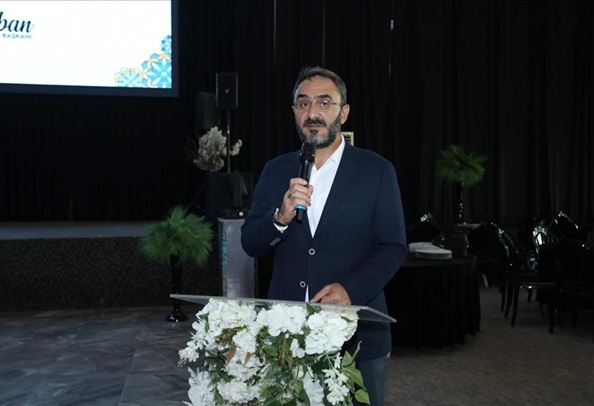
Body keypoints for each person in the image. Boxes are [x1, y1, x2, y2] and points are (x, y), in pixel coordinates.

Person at [241, 66, 407, 405]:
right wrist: (280, 218)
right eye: (303, 104)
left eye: (324, 102)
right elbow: (250, 242)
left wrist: (350, 291)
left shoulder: (376, 170)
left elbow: (392, 247)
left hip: (358, 337)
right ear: (294, 113)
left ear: (343, 113)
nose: (312, 113)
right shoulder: (275, 170)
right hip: (285, 336)